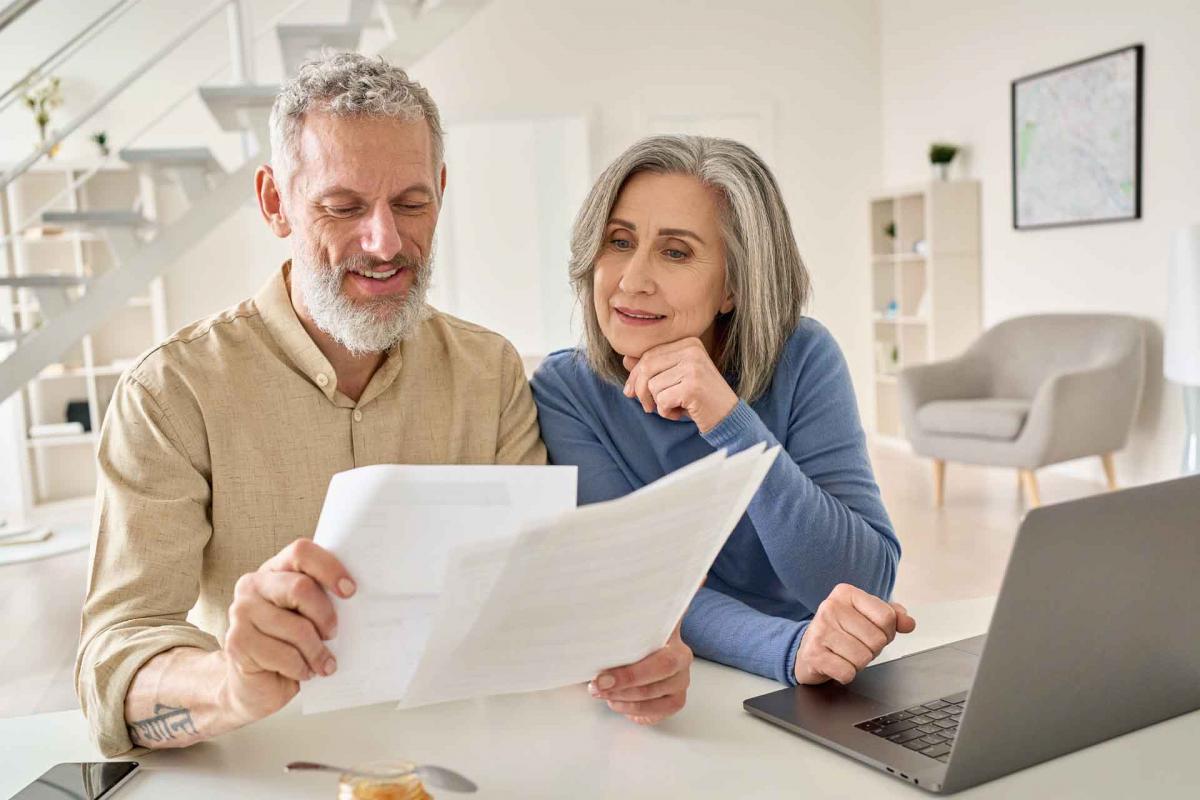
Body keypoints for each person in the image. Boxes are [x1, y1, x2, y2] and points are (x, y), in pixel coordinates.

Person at [75, 54, 685, 758]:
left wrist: (632, 651)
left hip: (469, 763)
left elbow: (540, 600)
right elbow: (114, 660)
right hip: (267, 769)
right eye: (343, 207)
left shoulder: (490, 373)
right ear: (275, 203)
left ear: (443, 192)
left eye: (412, 203)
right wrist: (228, 684)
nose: (386, 242)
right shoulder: (171, 394)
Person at [532, 136, 916, 714]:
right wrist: (788, 648)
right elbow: (638, 584)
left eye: (677, 252)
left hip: (817, 689)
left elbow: (864, 581)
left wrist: (732, 424)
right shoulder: (567, 389)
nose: (632, 279)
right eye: (619, 242)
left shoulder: (803, 356)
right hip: (687, 685)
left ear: (734, 284)